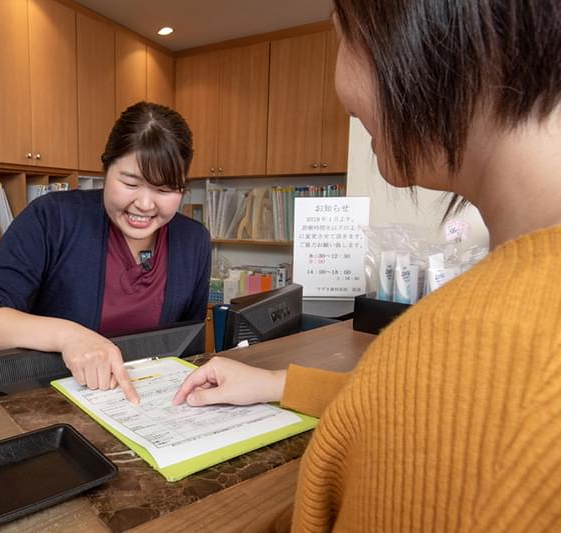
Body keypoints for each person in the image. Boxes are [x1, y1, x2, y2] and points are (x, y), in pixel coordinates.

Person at [174, 1, 561, 531]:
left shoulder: (469, 353)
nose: (338, 84)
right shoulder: (468, 359)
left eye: (343, 33)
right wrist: (279, 384)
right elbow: (423, 406)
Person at [0, 102, 211, 404]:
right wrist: (67, 336)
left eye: (165, 190)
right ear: (105, 169)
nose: (146, 205)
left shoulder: (194, 241)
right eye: (130, 183)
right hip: (52, 405)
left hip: (147, 408)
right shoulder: (54, 218)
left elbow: (188, 348)